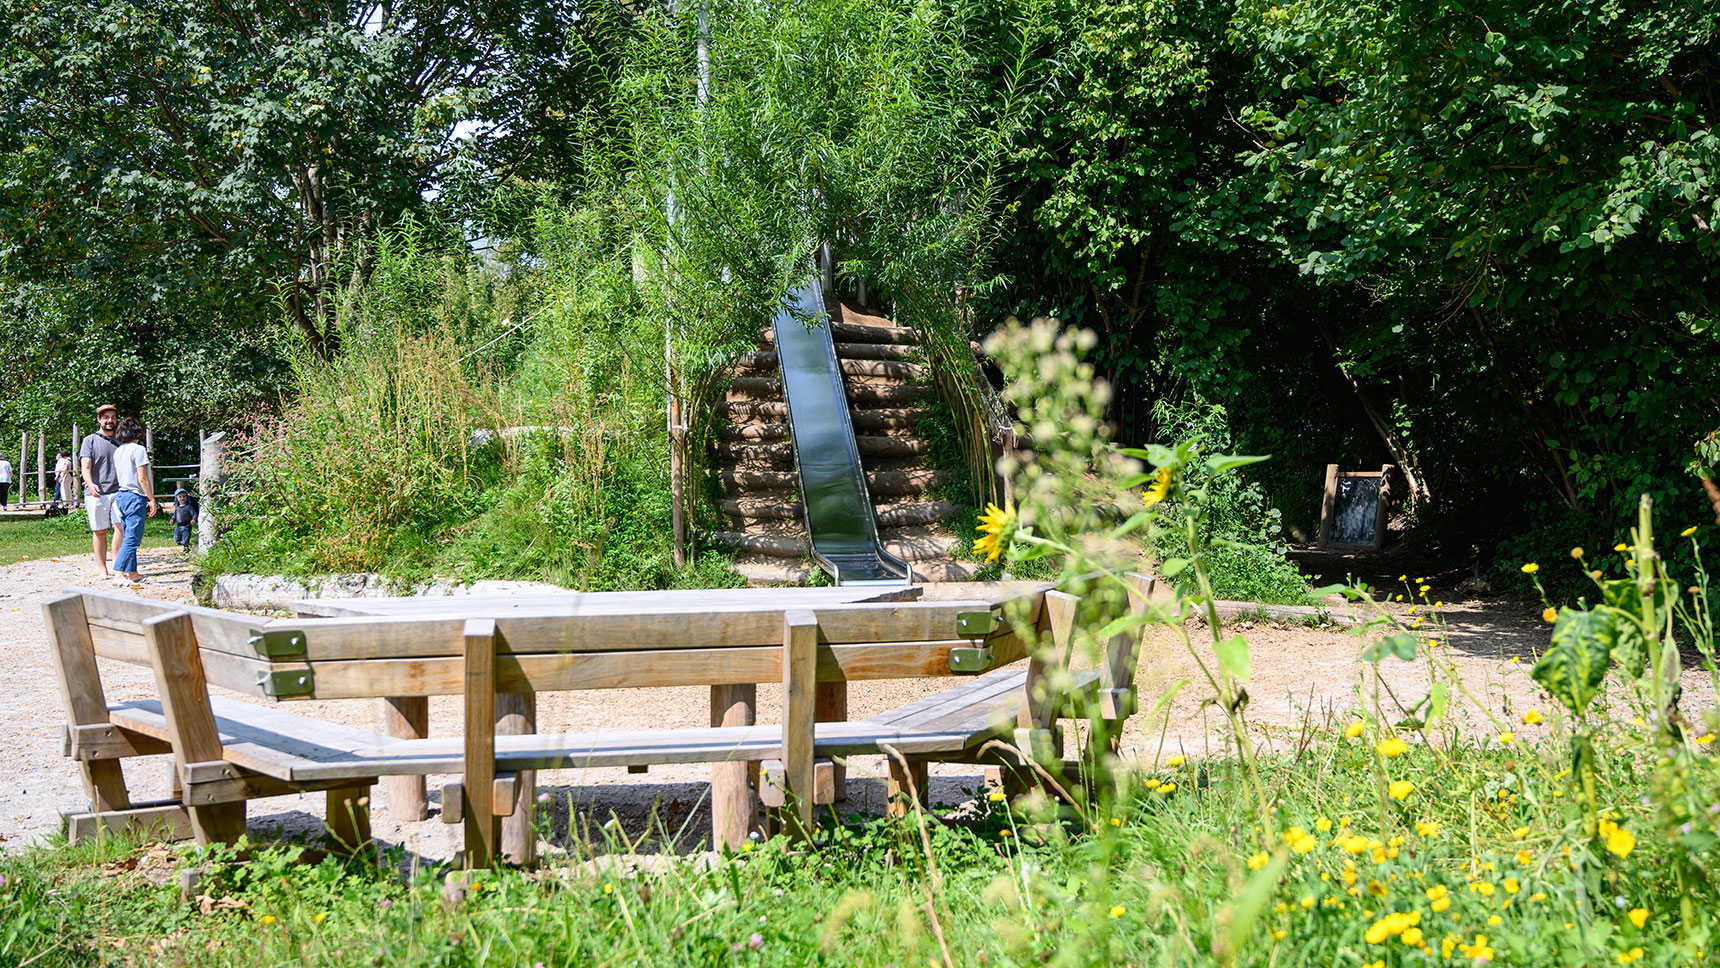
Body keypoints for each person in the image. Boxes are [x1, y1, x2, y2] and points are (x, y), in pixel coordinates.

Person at [109, 417, 155, 584]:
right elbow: (142, 478)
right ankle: (119, 573)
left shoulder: (118, 451)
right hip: (135, 497)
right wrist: (151, 499)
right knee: (132, 539)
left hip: (121, 496)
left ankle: (132, 572)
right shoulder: (138, 450)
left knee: (128, 535)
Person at [80, 404, 124, 579]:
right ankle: (102, 568)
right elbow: (85, 466)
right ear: (99, 419)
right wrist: (90, 484)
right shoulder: (89, 440)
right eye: (106, 417)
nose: (109, 420)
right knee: (100, 530)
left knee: (120, 527)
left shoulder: (122, 440)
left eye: (113, 417)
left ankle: (116, 565)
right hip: (97, 492)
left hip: (119, 491)